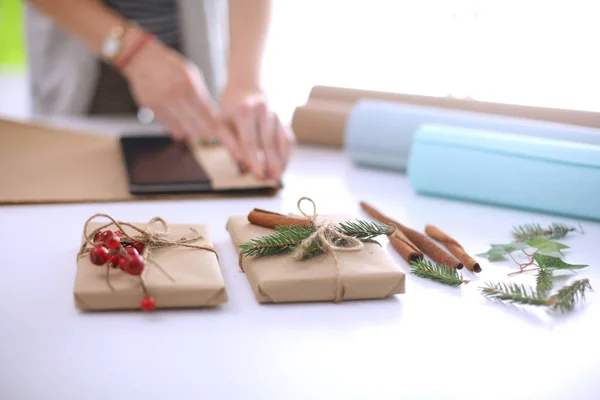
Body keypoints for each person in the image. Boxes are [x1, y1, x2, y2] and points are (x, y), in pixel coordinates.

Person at [25, 0, 294, 181]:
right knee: (84, 172)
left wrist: (245, 82)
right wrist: (133, 52)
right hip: (86, 42)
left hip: (191, 33)